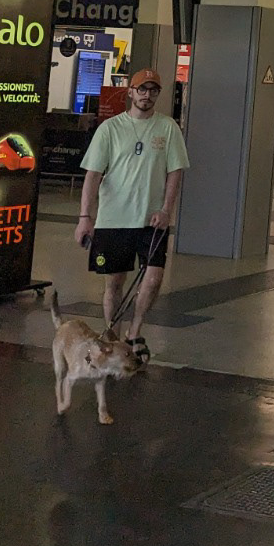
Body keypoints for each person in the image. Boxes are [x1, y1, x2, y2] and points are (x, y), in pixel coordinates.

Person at [74, 68, 189, 365]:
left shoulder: (168, 128)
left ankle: (134, 332)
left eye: (153, 90)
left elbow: (175, 172)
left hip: (151, 221)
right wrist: (85, 217)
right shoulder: (110, 129)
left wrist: (166, 210)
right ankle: (113, 338)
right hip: (114, 219)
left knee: (153, 278)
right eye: (142, 89)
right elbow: (93, 175)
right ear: (130, 92)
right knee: (114, 283)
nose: (147, 95)